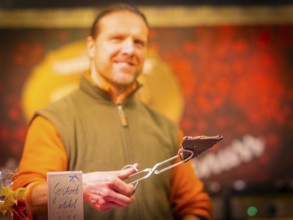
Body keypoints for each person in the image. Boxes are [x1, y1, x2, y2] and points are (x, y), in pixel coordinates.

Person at [13, 3, 212, 220]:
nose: (129, 50)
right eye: (117, 38)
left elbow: (195, 205)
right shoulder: (53, 119)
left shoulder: (166, 127)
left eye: (138, 42)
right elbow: (23, 201)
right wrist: (80, 188)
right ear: (91, 47)